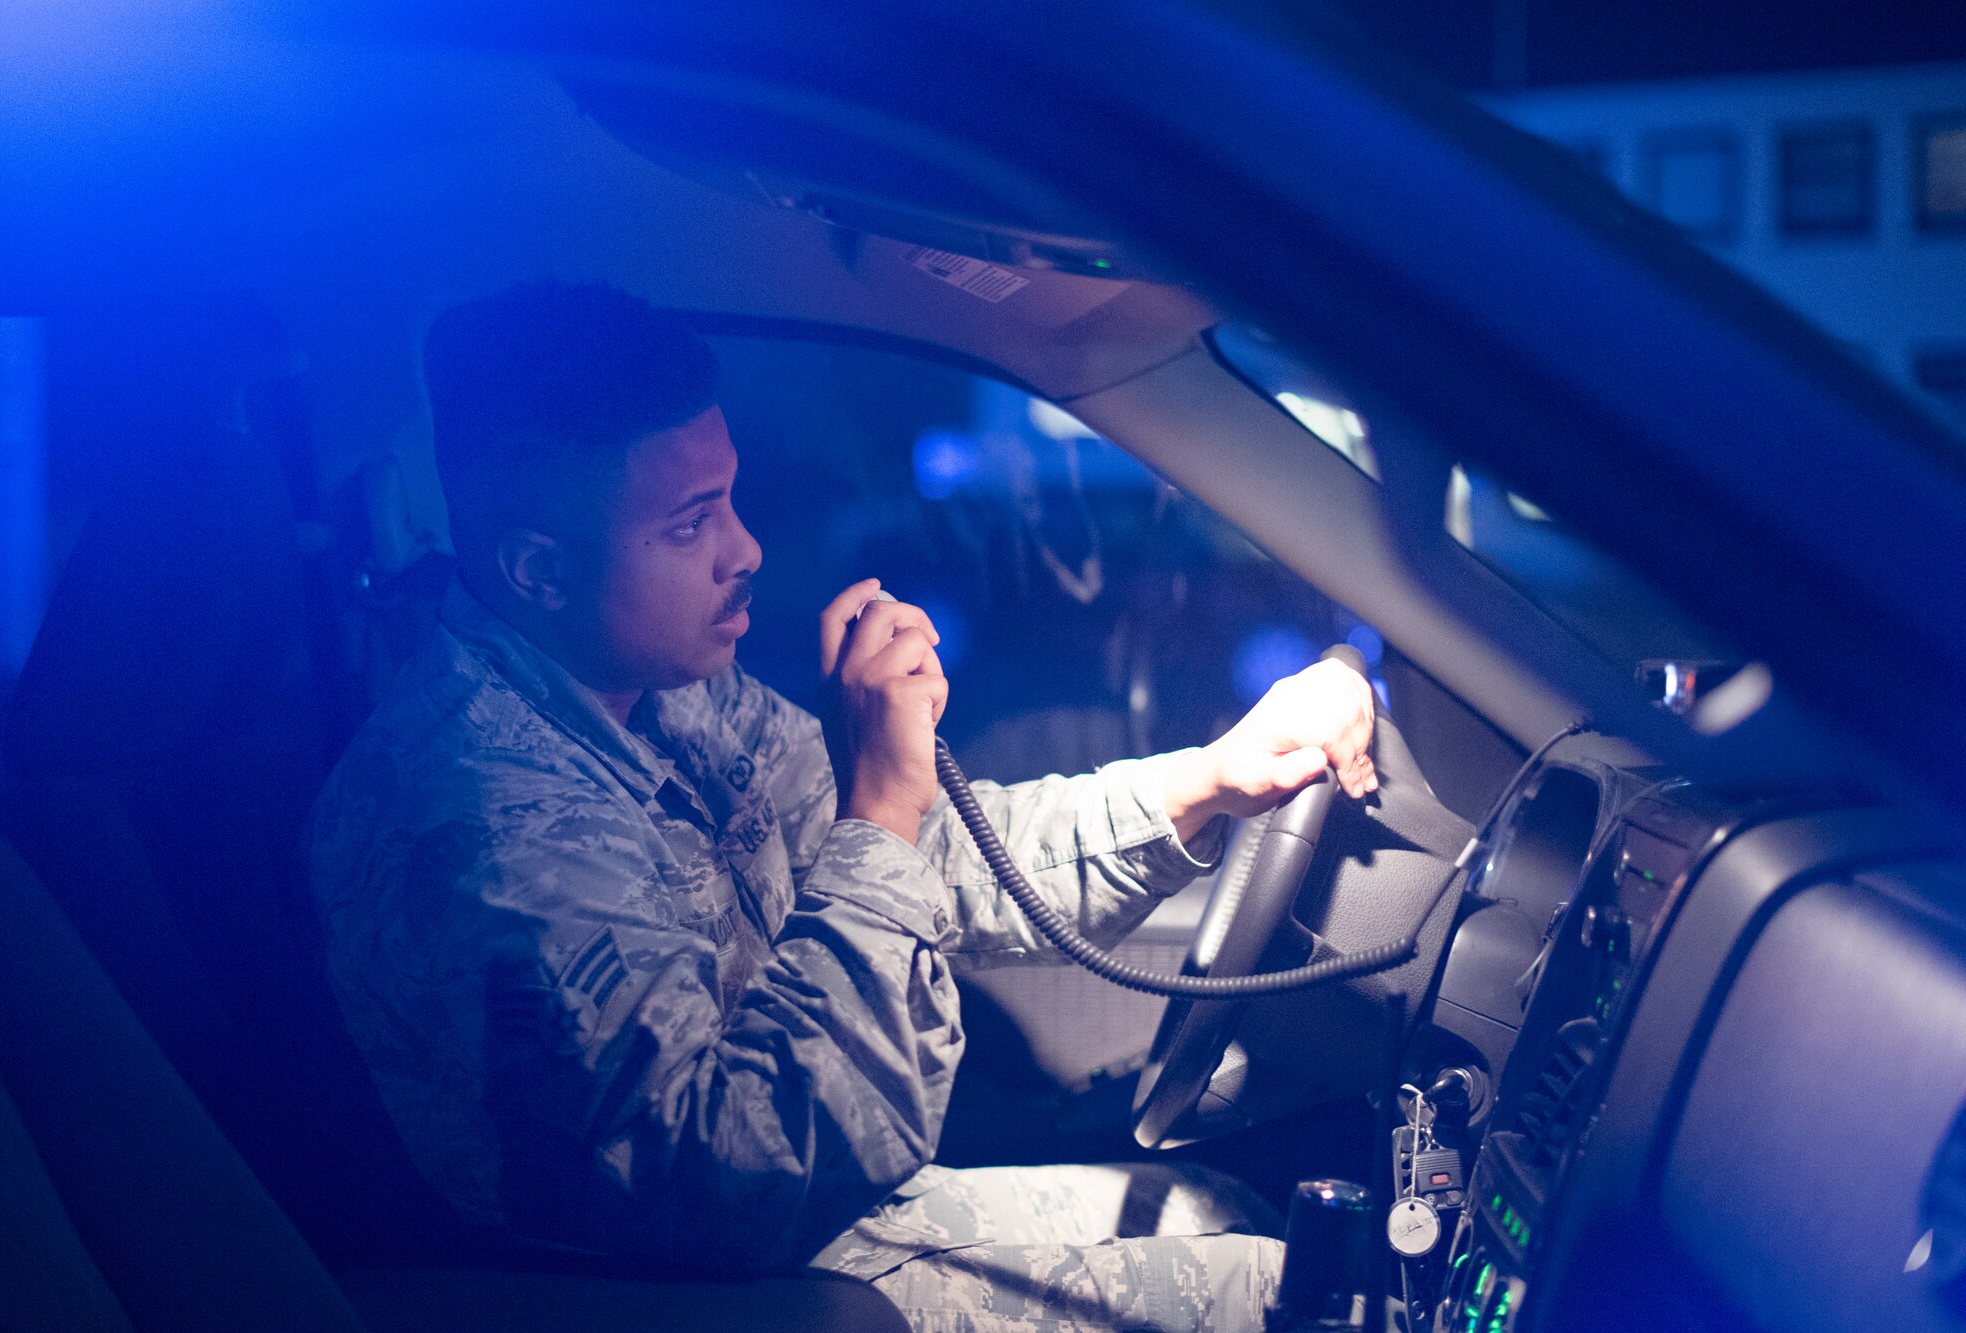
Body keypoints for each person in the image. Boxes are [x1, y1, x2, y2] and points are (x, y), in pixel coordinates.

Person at [310, 280, 1378, 1332]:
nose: (746, 550)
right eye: (689, 526)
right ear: (539, 570)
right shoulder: (482, 827)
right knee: (1280, 1298)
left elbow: (931, 867)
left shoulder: (670, 694)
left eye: (727, 498)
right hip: (732, 1289)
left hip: (835, 1221)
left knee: (1220, 1213)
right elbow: (736, 1180)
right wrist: (877, 806)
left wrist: (1206, 781)